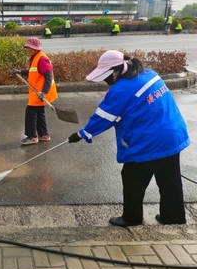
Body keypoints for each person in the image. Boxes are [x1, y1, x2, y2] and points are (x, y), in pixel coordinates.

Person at [67, 50, 190, 227]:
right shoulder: (149, 74)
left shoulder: (121, 89)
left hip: (149, 141)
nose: (104, 80)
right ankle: (173, 218)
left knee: (132, 178)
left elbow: (104, 117)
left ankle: (131, 218)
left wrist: (82, 134)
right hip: (172, 134)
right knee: (169, 180)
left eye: (105, 75)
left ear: (115, 71)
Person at [11, 37, 58, 145]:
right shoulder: (36, 57)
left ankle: (32, 136)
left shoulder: (41, 58)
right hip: (37, 91)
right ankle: (44, 135)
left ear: (36, 48)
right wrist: (20, 71)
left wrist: (44, 92)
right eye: (27, 47)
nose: (27, 49)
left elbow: (48, 76)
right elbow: (33, 71)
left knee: (30, 112)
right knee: (39, 112)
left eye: (29, 47)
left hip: (41, 92)